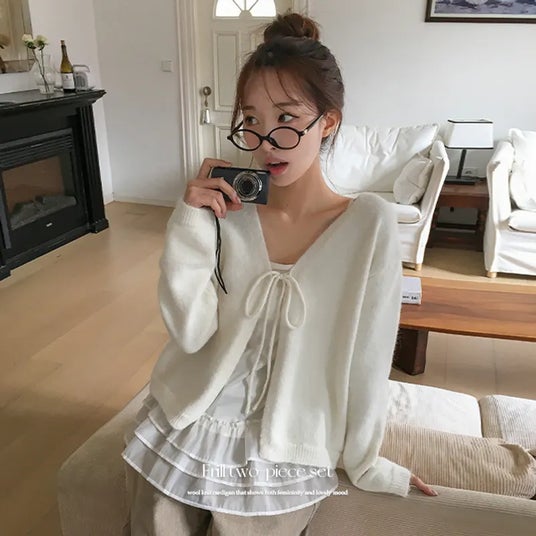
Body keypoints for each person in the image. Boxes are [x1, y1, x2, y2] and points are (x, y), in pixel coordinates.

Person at [122, 11, 436, 536]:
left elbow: (368, 357)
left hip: (293, 439)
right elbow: (191, 332)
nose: (266, 140)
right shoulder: (228, 211)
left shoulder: (369, 224)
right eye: (251, 120)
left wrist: (365, 461)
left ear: (328, 122)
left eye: (287, 118)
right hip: (195, 415)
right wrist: (189, 225)